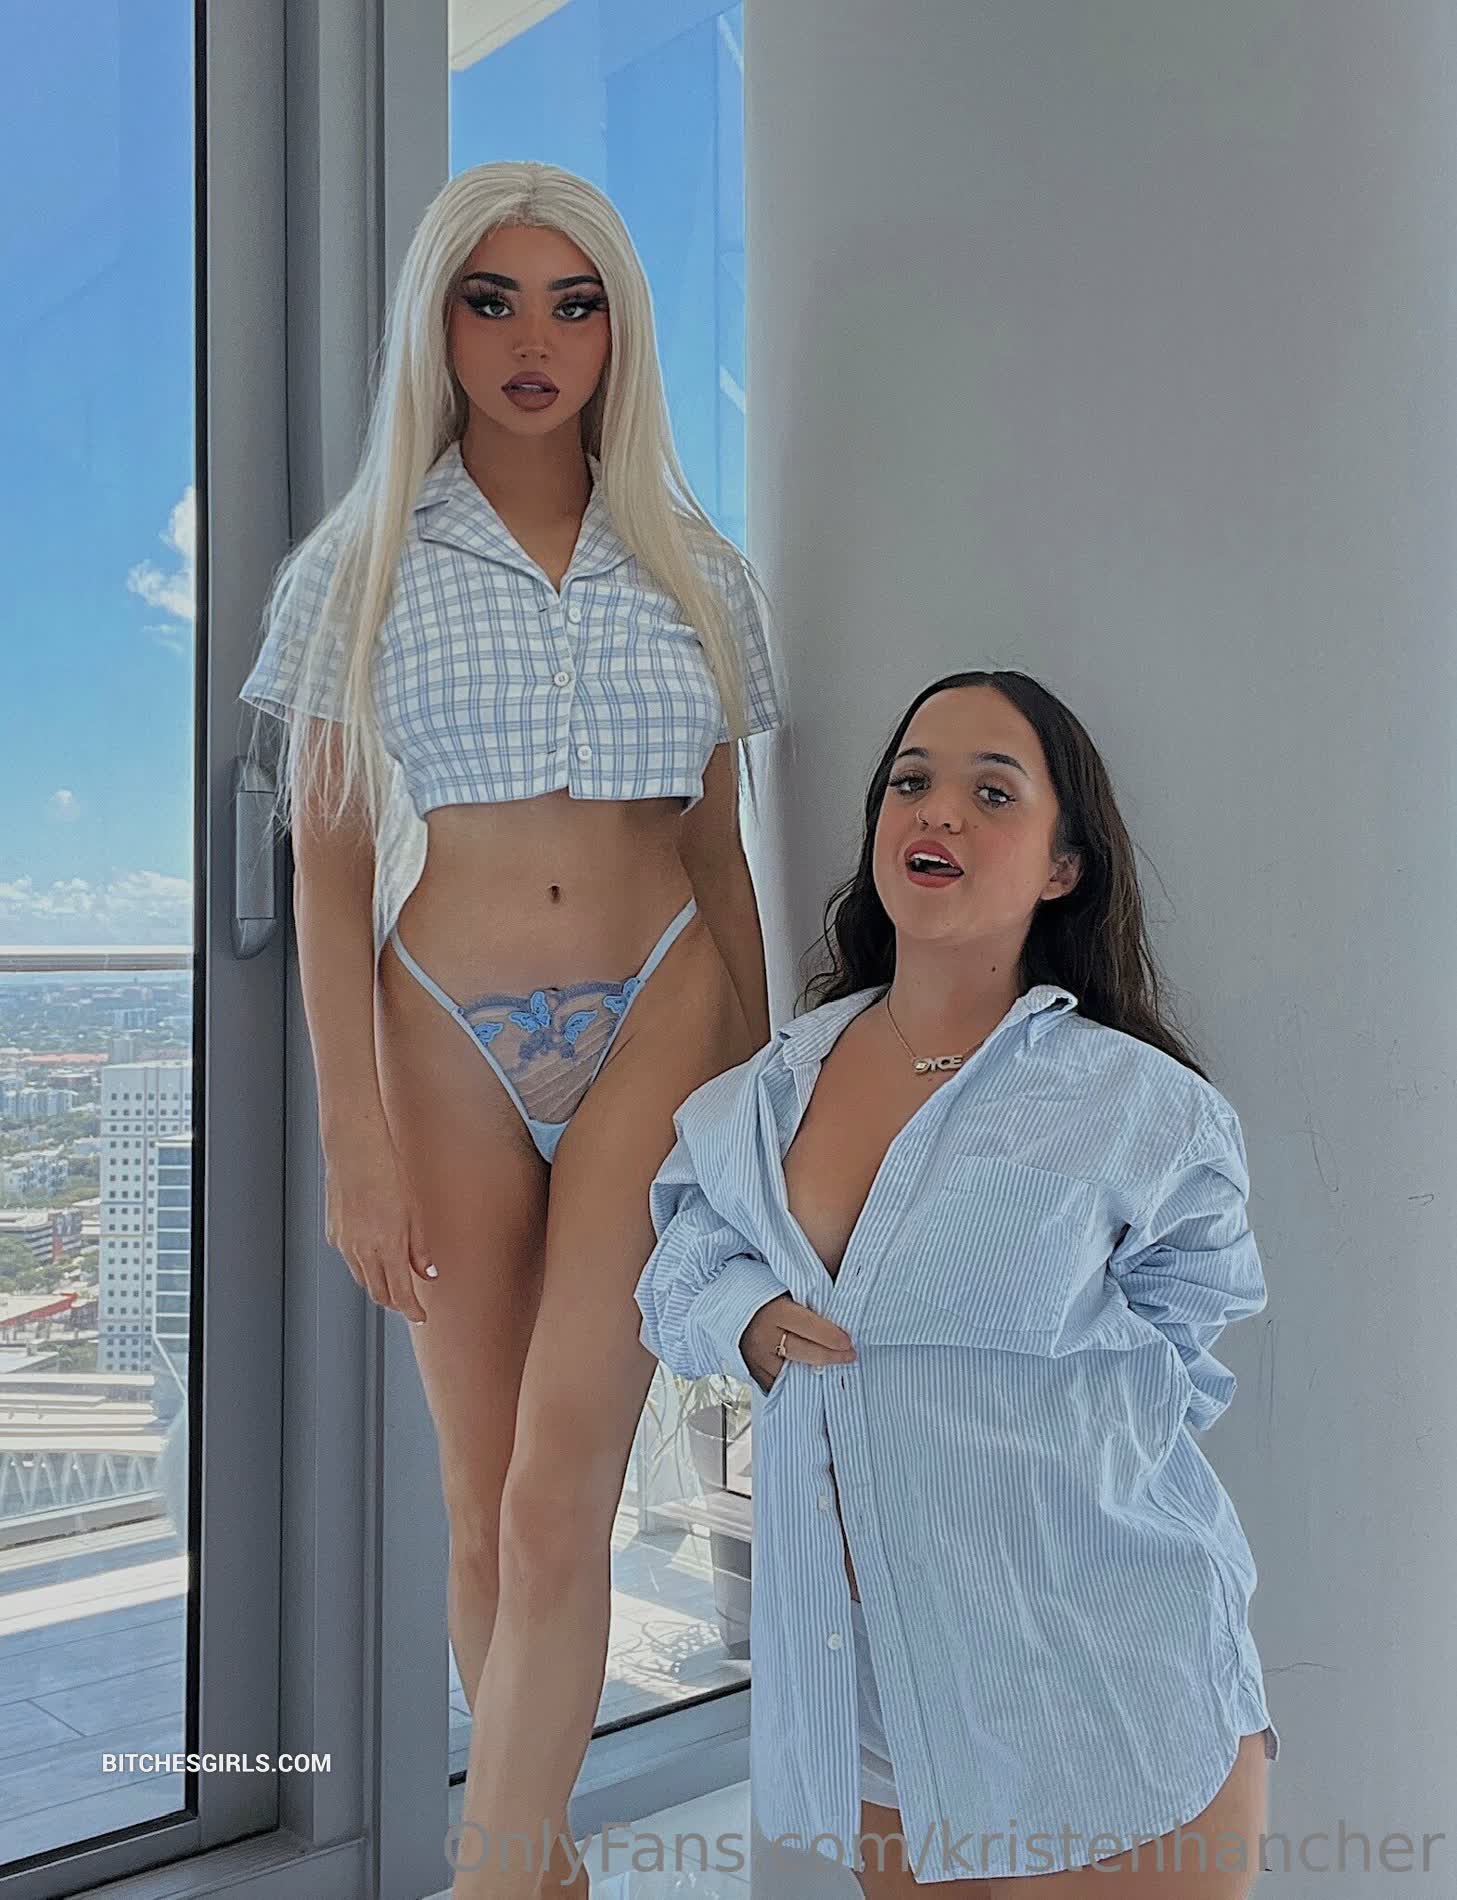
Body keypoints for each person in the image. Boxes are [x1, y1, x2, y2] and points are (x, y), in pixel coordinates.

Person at [238, 160, 786, 1900]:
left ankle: (486, 1884)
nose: (532, 340)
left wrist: (766, 1097)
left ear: (620, 331)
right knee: (480, 1507)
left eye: (574, 302)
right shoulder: (361, 563)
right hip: (439, 1040)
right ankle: (543, 1877)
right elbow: (327, 871)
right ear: (440, 325)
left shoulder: (696, 567)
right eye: (492, 301)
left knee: (561, 1496)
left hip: (664, 1010)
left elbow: (717, 846)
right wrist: (353, 1140)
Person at [635, 670, 1279, 1897]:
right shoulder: (770, 1087)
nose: (935, 811)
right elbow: (681, 1254)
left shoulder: (1136, 1105)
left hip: (1102, 1686)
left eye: (992, 793)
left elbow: (1187, 1344)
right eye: (910, 782)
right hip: (885, 1700)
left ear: (1062, 867)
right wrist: (747, 1321)